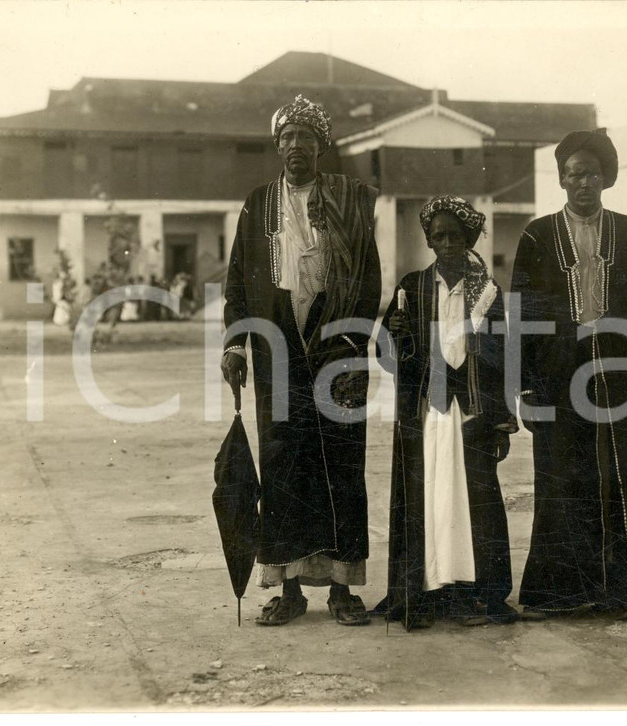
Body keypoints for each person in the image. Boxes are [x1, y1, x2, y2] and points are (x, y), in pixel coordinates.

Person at [221, 95, 381, 627]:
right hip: (277, 347)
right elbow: (239, 283)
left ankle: (342, 589)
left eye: (306, 138)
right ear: (277, 144)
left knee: (341, 462)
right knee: (283, 464)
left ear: (321, 145)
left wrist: (354, 347)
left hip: (338, 348)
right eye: (287, 137)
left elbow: (368, 279)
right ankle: (288, 589)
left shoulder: (349, 197)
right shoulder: (258, 203)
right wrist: (234, 345)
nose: (296, 147)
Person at [511, 128, 627, 619]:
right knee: (559, 477)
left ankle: (616, 593)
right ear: (561, 179)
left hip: (614, 370)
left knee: (614, 474)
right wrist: (525, 385)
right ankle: (554, 596)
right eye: (574, 174)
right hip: (557, 374)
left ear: (605, 179)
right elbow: (521, 315)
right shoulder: (536, 235)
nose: (583, 183)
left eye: (592, 174)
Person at [374, 196, 525, 630]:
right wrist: (394, 334)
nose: (446, 244)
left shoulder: (487, 293)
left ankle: (479, 594)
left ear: (469, 239)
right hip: (428, 416)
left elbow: (504, 358)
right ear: (428, 240)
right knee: (430, 501)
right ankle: (428, 591)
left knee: (473, 503)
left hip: (472, 415)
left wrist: (501, 420)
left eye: (455, 236)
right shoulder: (412, 287)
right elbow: (387, 355)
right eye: (437, 236)